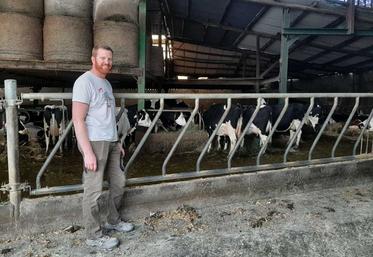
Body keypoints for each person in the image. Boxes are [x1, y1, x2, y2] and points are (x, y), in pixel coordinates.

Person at [72, 45, 133, 250]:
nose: (107, 62)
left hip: (111, 141)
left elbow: (107, 117)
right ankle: (93, 234)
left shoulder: (106, 84)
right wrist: (87, 151)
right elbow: (78, 120)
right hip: (94, 143)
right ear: (93, 59)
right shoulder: (84, 82)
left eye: (109, 59)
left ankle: (112, 220)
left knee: (119, 183)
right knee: (94, 190)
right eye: (103, 58)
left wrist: (117, 142)